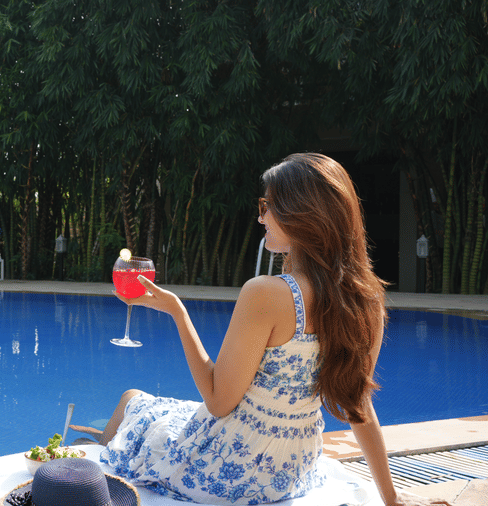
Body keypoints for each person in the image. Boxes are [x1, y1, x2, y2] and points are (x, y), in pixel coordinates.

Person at [70, 153, 451, 506]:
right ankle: (100, 453)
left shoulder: (267, 294)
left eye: (267, 206)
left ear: (301, 215)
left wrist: (177, 312)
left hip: (228, 473)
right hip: (291, 474)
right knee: (153, 413)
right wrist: (392, 498)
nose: (261, 217)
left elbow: (220, 403)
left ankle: (92, 470)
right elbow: (359, 406)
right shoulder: (367, 302)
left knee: (132, 399)